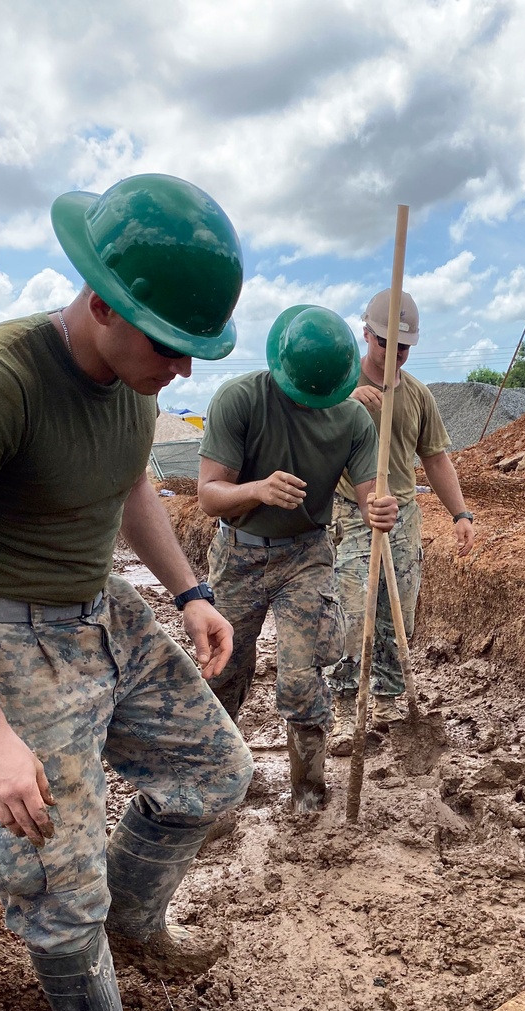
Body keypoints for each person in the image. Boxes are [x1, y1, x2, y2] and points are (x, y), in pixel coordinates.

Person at [0, 174, 253, 1011]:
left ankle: (132, 920)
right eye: (167, 344)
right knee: (56, 877)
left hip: (106, 611)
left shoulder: (130, 386)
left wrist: (190, 592)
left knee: (216, 773)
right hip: (6, 637)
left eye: (194, 349)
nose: (181, 369)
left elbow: (129, 481)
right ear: (99, 303)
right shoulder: (1, 378)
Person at [197, 304, 398, 811]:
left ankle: (308, 789)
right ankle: (215, 786)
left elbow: (372, 490)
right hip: (238, 555)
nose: (310, 405)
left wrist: (382, 507)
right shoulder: (239, 400)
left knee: (301, 674)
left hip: (306, 555)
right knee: (223, 671)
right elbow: (208, 495)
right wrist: (258, 489)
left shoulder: (353, 418)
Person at [328, 289, 475, 736]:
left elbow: (435, 458)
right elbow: (308, 438)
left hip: (403, 513)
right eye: (385, 344)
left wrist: (460, 514)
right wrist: (346, 403)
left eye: (404, 348)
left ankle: (390, 699)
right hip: (351, 511)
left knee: (398, 613)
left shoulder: (416, 395)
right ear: (367, 335)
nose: (394, 355)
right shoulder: (336, 386)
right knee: (352, 612)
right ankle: (344, 705)